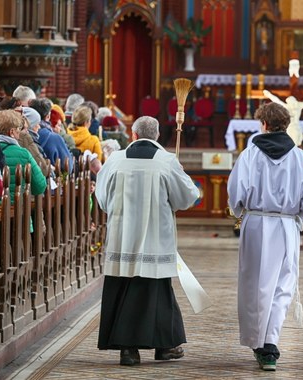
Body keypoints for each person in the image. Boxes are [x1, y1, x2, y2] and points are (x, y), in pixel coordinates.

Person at [95, 116, 200, 366]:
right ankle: (164, 347)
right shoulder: (167, 161)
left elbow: (101, 198)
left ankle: (129, 350)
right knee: (157, 290)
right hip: (155, 237)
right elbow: (188, 197)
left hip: (122, 238)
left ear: (133, 135)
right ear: (157, 136)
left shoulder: (115, 159)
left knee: (123, 286)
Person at [227, 102, 303, 371]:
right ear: (286, 124)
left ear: (264, 124)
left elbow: (237, 191)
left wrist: (238, 210)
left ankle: (259, 342)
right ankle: (270, 342)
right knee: (283, 285)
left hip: (257, 223)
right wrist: (298, 218)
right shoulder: (300, 158)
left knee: (255, 284)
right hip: (285, 225)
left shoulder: (250, 155)